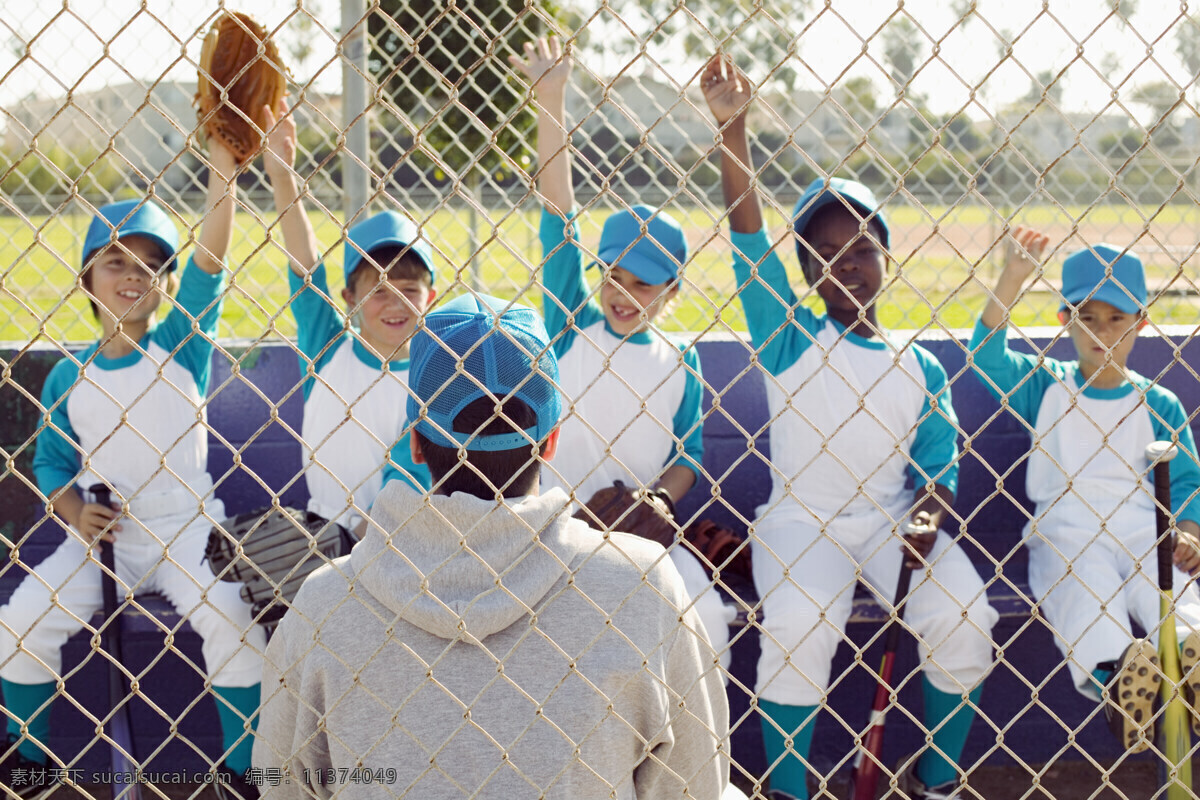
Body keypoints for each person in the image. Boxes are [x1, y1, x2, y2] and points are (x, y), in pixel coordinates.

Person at [252, 293, 729, 799]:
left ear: (414, 443)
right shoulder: (642, 584)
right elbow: (696, 784)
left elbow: (282, 785)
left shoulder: (325, 603)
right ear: (551, 442)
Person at [701, 55, 998, 800]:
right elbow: (746, 239)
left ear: (885, 258)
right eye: (824, 254)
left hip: (894, 522)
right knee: (800, 623)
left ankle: (937, 783)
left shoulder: (919, 366)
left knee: (966, 617)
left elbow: (939, 464)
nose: (845, 266)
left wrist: (929, 511)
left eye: (861, 248)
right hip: (803, 522)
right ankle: (790, 789)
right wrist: (734, 129)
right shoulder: (789, 337)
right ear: (803, 271)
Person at [0, 141, 265, 793]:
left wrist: (223, 176)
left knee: (233, 616)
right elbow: (52, 464)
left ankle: (242, 772)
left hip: (188, 531)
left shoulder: (181, 345)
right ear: (87, 276)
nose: (133, 276)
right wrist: (74, 514)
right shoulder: (70, 375)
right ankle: (27, 757)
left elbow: (211, 262)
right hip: (105, 541)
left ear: (167, 286)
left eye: (151, 266)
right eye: (116, 260)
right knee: (21, 616)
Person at [507, 36, 732, 674]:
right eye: (614, 275)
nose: (623, 293)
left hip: (642, 532)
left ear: (672, 291)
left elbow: (688, 456)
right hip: (555, 531)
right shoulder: (572, 326)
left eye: (644, 282)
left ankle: (687, 761)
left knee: (708, 625)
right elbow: (558, 216)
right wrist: (551, 101)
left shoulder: (678, 360)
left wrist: (658, 501)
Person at [971, 228, 1200, 753]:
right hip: (1068, 532)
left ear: (1140, 323)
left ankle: (1192, 661)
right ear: (1065, 322)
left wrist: (1187, 531)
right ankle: (1121, 683)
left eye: (1117, 319)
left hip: (1143, 528)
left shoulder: (1157, 402)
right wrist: (1013, 277)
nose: (1102, 331)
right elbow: (985, 358)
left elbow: (1186, 482)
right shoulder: (1046, 384)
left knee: (1170, 590)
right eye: (1087, 317)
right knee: (1087, 593)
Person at [263, 101, 433, 532]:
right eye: (377, 290)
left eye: (409, 289)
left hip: (401, 541)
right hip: (323, 533)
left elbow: (411, 478)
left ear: (430, 297)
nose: (395, 303)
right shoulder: (329, 349)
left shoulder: (437, 378)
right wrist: (283, 178)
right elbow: (305, 268)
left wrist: (363, 534)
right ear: (349, 299)